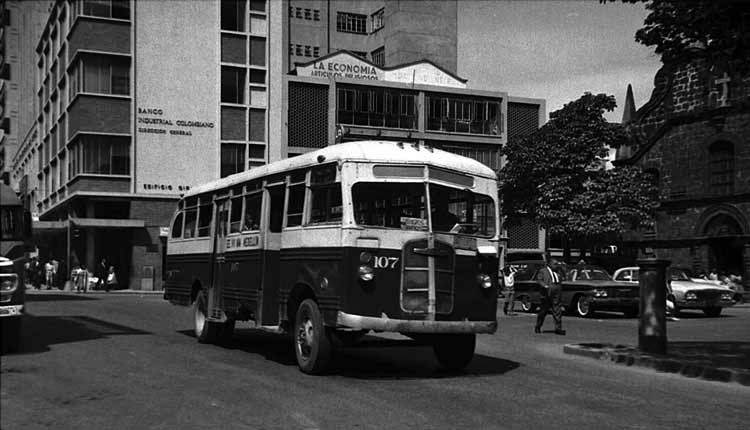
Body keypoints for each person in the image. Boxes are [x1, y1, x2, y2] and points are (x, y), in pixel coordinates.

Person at [535, 255, 565, 335]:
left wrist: (562, 268)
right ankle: (538, 325)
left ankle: (558, 328)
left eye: (557, 264)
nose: (556, 265)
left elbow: (563, 277)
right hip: (547, 293)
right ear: (549, 264)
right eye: (555, 264)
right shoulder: (543, 271)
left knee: (557, 310)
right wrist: (544, 285)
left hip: (556, 291)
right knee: (543, 311)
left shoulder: (558, 271)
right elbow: (539, 279)